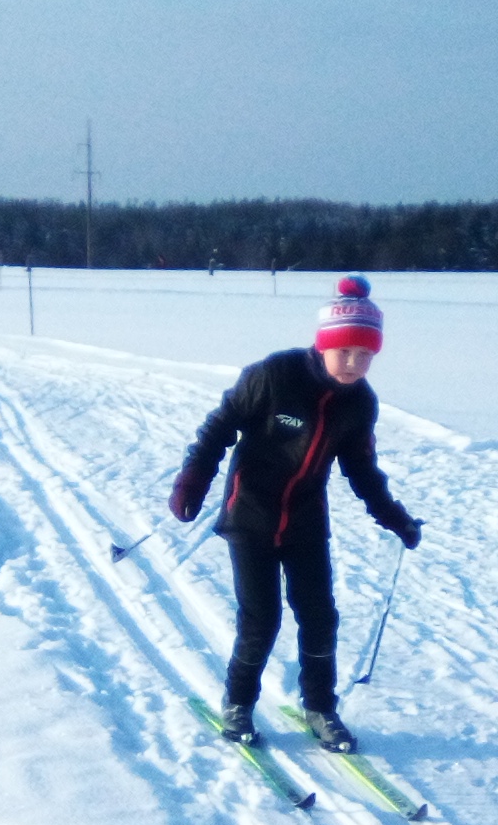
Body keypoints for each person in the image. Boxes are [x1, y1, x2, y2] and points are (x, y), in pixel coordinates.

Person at [170, 275, 422, 750]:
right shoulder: (274, 376)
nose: (354, 363)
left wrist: (393, 516)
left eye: (365, 355)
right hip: (250, 516)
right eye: (345, 351)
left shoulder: (359, 403)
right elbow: (220, 426)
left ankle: (320, 706)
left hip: (306, 521)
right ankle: (238, 703)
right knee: (261, 619)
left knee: (320, 616)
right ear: (324, 344)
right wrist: (195, 477)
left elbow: (362, 468)